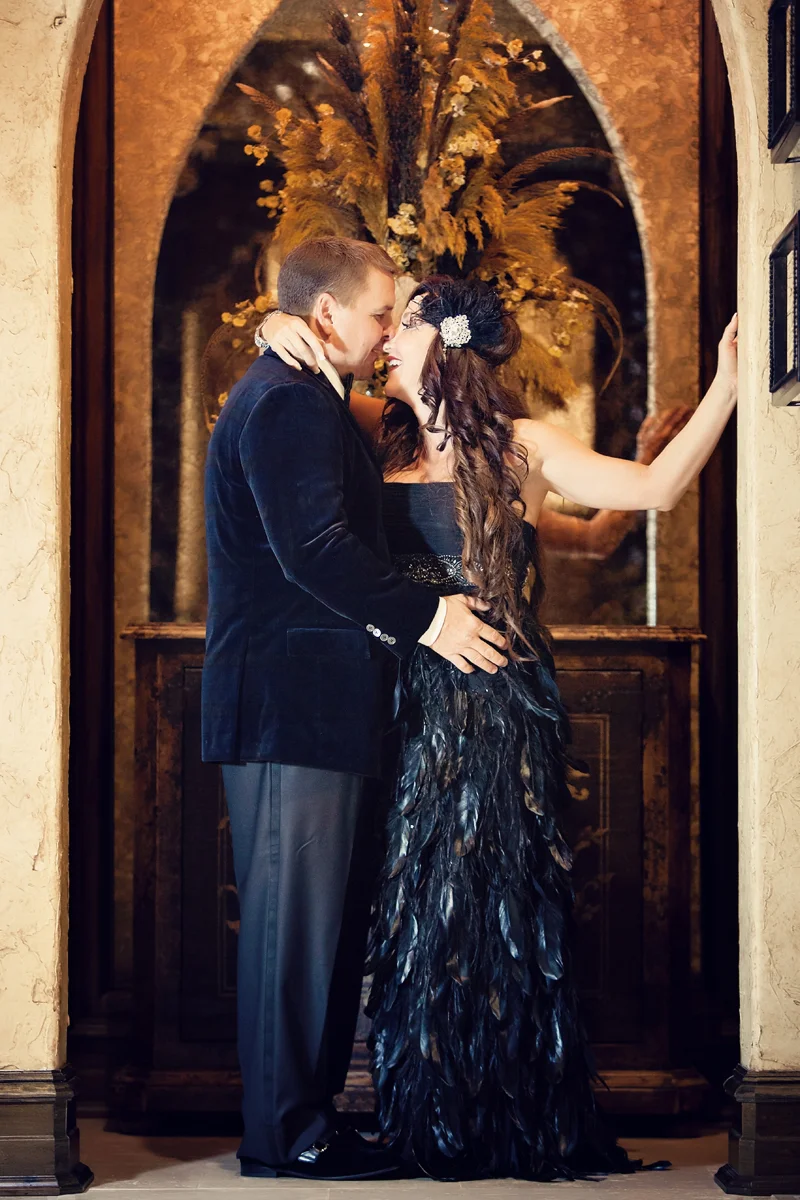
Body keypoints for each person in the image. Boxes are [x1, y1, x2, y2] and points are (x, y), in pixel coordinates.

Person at [260, 278, 737, 1179]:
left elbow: (658, 489)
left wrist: (729, 385)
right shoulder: (370, 432)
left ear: (446, 345)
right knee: (408, 915)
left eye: (404, 324)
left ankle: (506, 1120)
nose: (386, 339)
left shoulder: (525, 447)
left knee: (492, 906)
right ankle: (426, 1119)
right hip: (391, 707)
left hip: (493, 711)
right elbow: (300, 382)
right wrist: (278, 321)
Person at [201, 239, 508, 1183]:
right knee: (293, 934)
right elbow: (316, 552)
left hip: (313, 707)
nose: (386, 335)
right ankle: (286, 1137)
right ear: (327, 314)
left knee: (318, 932)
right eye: (380, 314)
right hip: (286, 707)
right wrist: (435, 620)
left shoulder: (309, 390)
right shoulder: (288, 398)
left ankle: (310, 1123)